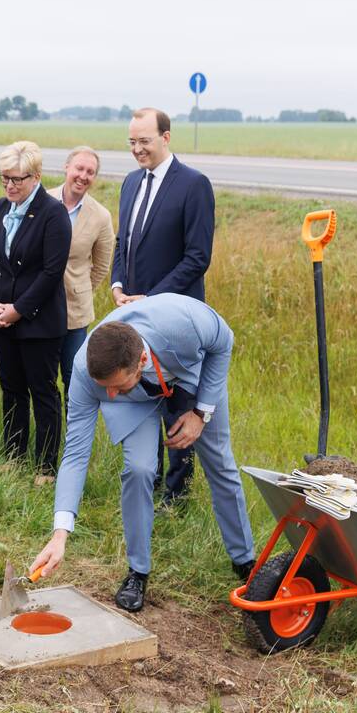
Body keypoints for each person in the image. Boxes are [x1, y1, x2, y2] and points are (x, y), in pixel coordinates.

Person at [29, 294, 255, 612]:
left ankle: (245, 562)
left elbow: (224, 341)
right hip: (135, 401)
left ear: (140, 363)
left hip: (190, 375)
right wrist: (60, 534)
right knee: (139, 469)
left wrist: (201, 413)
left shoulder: (184, 323)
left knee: (219, 461)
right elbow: (76, 453)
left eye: (115, 386)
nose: (107, 395)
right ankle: (138, 571)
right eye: (103, 386)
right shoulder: (85, 371)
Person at [111, 107, 216, 509]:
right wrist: (119, 285)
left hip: (174, 316)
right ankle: (148, 480)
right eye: (132, 143)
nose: (137, 150)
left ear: (166, 137)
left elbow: (197, 257)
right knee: (141, 394)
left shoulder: (193, 185)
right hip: (134, 313)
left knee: (178, 401)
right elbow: (124, 242)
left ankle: (178, 492)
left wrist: (152, 298)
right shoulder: (130, 182)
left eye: (145, 142)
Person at [0, 141, 71, 478]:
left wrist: (18, 309)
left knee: (42, 392)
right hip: (1, 318)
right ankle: (14, 457)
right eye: (4, 178)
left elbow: (51, 273)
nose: (10, 186)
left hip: (38, 322)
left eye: (17, 179)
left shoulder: (53, 213)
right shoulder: (3, 207)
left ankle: (46, 466)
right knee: (12, 388)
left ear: (36, 176)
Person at [47, 146, 114, 399]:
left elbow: (101, 267)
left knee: (74, 380)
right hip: (38, 309)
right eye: (79, 168)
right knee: (44, 379)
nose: (83, 176)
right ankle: (49, 435)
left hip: (75, 312)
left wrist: (79, 288)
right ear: (67, 168)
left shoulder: (101, 216)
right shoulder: (42, 200)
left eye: (90, 172)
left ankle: (72, 437)